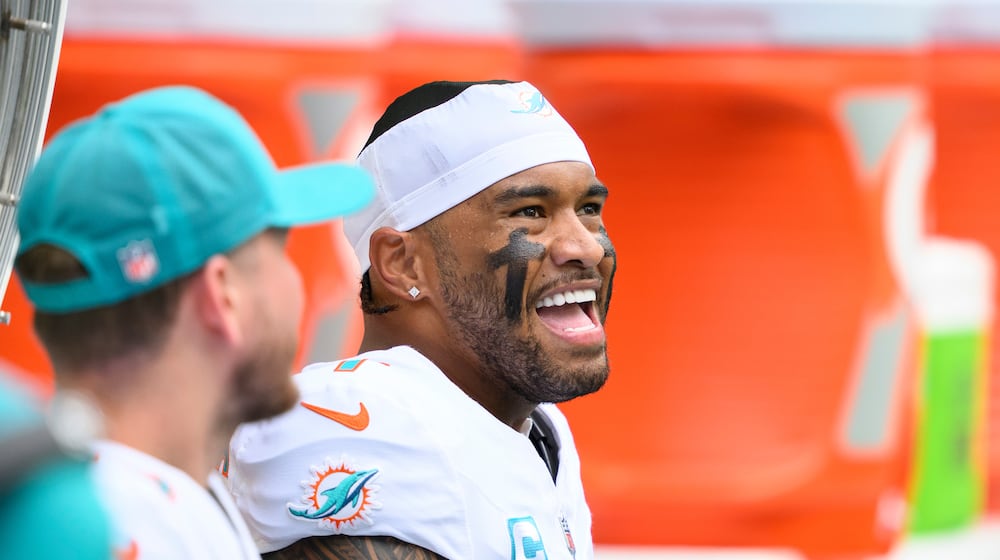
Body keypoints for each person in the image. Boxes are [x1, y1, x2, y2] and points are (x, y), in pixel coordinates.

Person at [226, 79, 616, 559]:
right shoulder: (364, 424)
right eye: (530, 212)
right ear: (401, 263)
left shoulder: (536, 428)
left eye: (590, 210)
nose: (587, 246)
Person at [13, 86, 375, 559]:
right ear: (223, 295)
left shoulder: (64, 503)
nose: (301, 284)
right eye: (279, 248)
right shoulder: (137, 531)